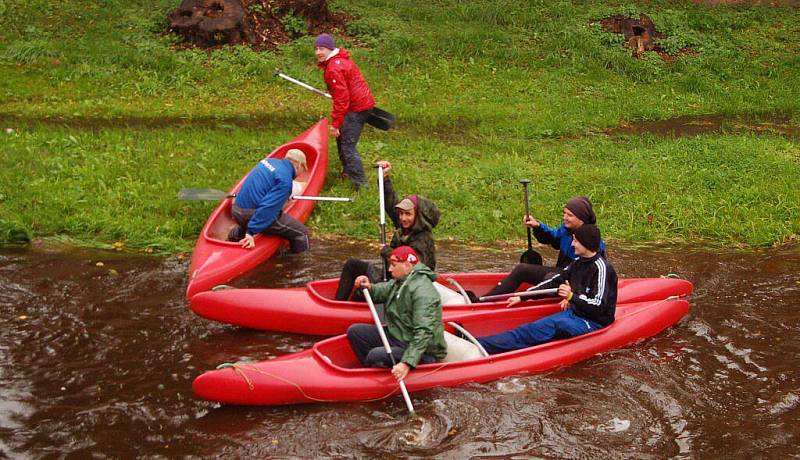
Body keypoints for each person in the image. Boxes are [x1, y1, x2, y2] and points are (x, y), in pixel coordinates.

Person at [475, 224, 617, 354]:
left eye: (576, 241)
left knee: (561, 325)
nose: (572, 244)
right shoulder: (577, 263)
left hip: (594, 323)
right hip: (575, 314)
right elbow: (554, 282)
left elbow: (599, 306)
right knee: (528, 329)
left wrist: (571, 297)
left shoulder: (602, 268)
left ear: (586, 244)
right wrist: (523, 296)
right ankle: (478, 345)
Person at [335, 160, 440, 301]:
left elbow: (414, 270)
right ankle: (338, 303)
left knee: (362, 292)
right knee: (352, 265)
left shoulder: (423, 239)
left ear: (417, 216)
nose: (403, 218)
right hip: (391, 276)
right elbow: (390, 203)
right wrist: (384, 178)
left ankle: (348, 311)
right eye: (401, 213)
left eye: (408, 214)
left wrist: (388, 253)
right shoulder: (405, 226)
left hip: (402, 287)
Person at [346, 246, 448, 381]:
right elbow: (382, 290)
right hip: (399, 335)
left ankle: (382, 372)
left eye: (393, 265)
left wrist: (407, 363)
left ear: (407, 265)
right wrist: (369, 287)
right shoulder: (401, 281)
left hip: (423, 350)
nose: (389, 269)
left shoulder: (423, 292)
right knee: (355, 332)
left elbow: (424, 332)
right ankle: (373, 372)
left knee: (375, 355)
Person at [482, 195, 606, 302]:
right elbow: (551, 237)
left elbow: (594, 275)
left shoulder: (593, 241)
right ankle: (486, 300)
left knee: (550, 278)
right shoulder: (566, 230)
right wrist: (537, 226)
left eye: (570, 215)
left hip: (573, 283)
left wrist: (575, 297)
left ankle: (536, 302)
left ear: (581, 218)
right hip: (561, 273)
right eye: (565, 213)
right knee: (522, 269)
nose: (565, 217)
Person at [314, 33, 376, 189]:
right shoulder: (339, 61)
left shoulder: (334, 67)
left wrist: (335, 124)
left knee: (347, 146)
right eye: (316, 49)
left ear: (330, 49)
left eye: (321, 48)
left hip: (356, 108)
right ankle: (348, 172)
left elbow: (342, 100)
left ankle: (361, 185)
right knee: (342, 140)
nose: (318, 52)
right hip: (362, 104)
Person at [227, 148, 310, 253]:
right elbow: (268, 208)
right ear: (299, 165)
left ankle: (233, 237)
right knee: (302, 234)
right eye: (303, 169)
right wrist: (250, 232)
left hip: (236, 210)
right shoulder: (285, 181)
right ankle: (297, 265)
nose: (302, 173)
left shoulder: (268, 162)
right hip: (250, 215)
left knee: (248, 218)